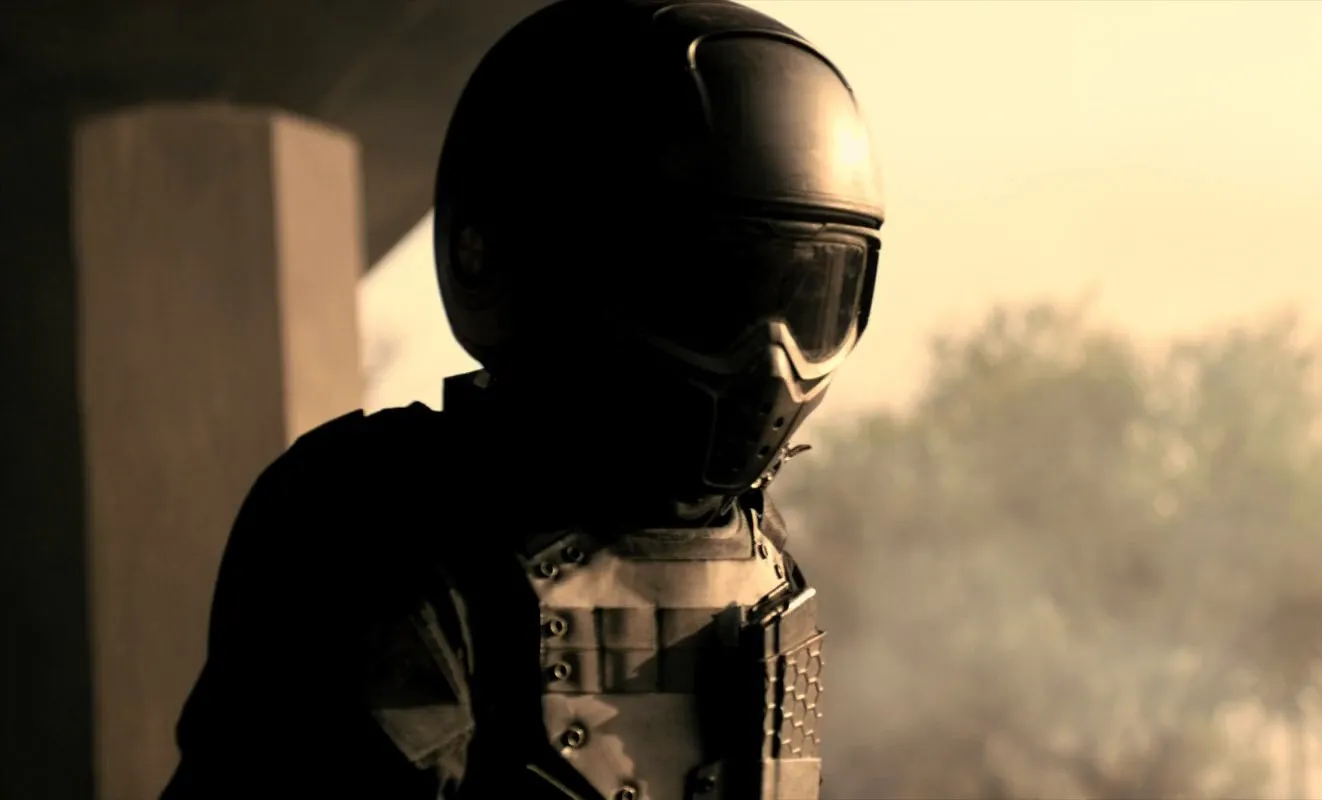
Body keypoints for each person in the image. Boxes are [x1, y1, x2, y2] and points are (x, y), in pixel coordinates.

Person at [160, 0, 882, 797]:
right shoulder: (376, 524)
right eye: (705, 298)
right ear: (523, 261)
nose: (768, 366)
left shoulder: (751, 544)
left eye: (805, 302)